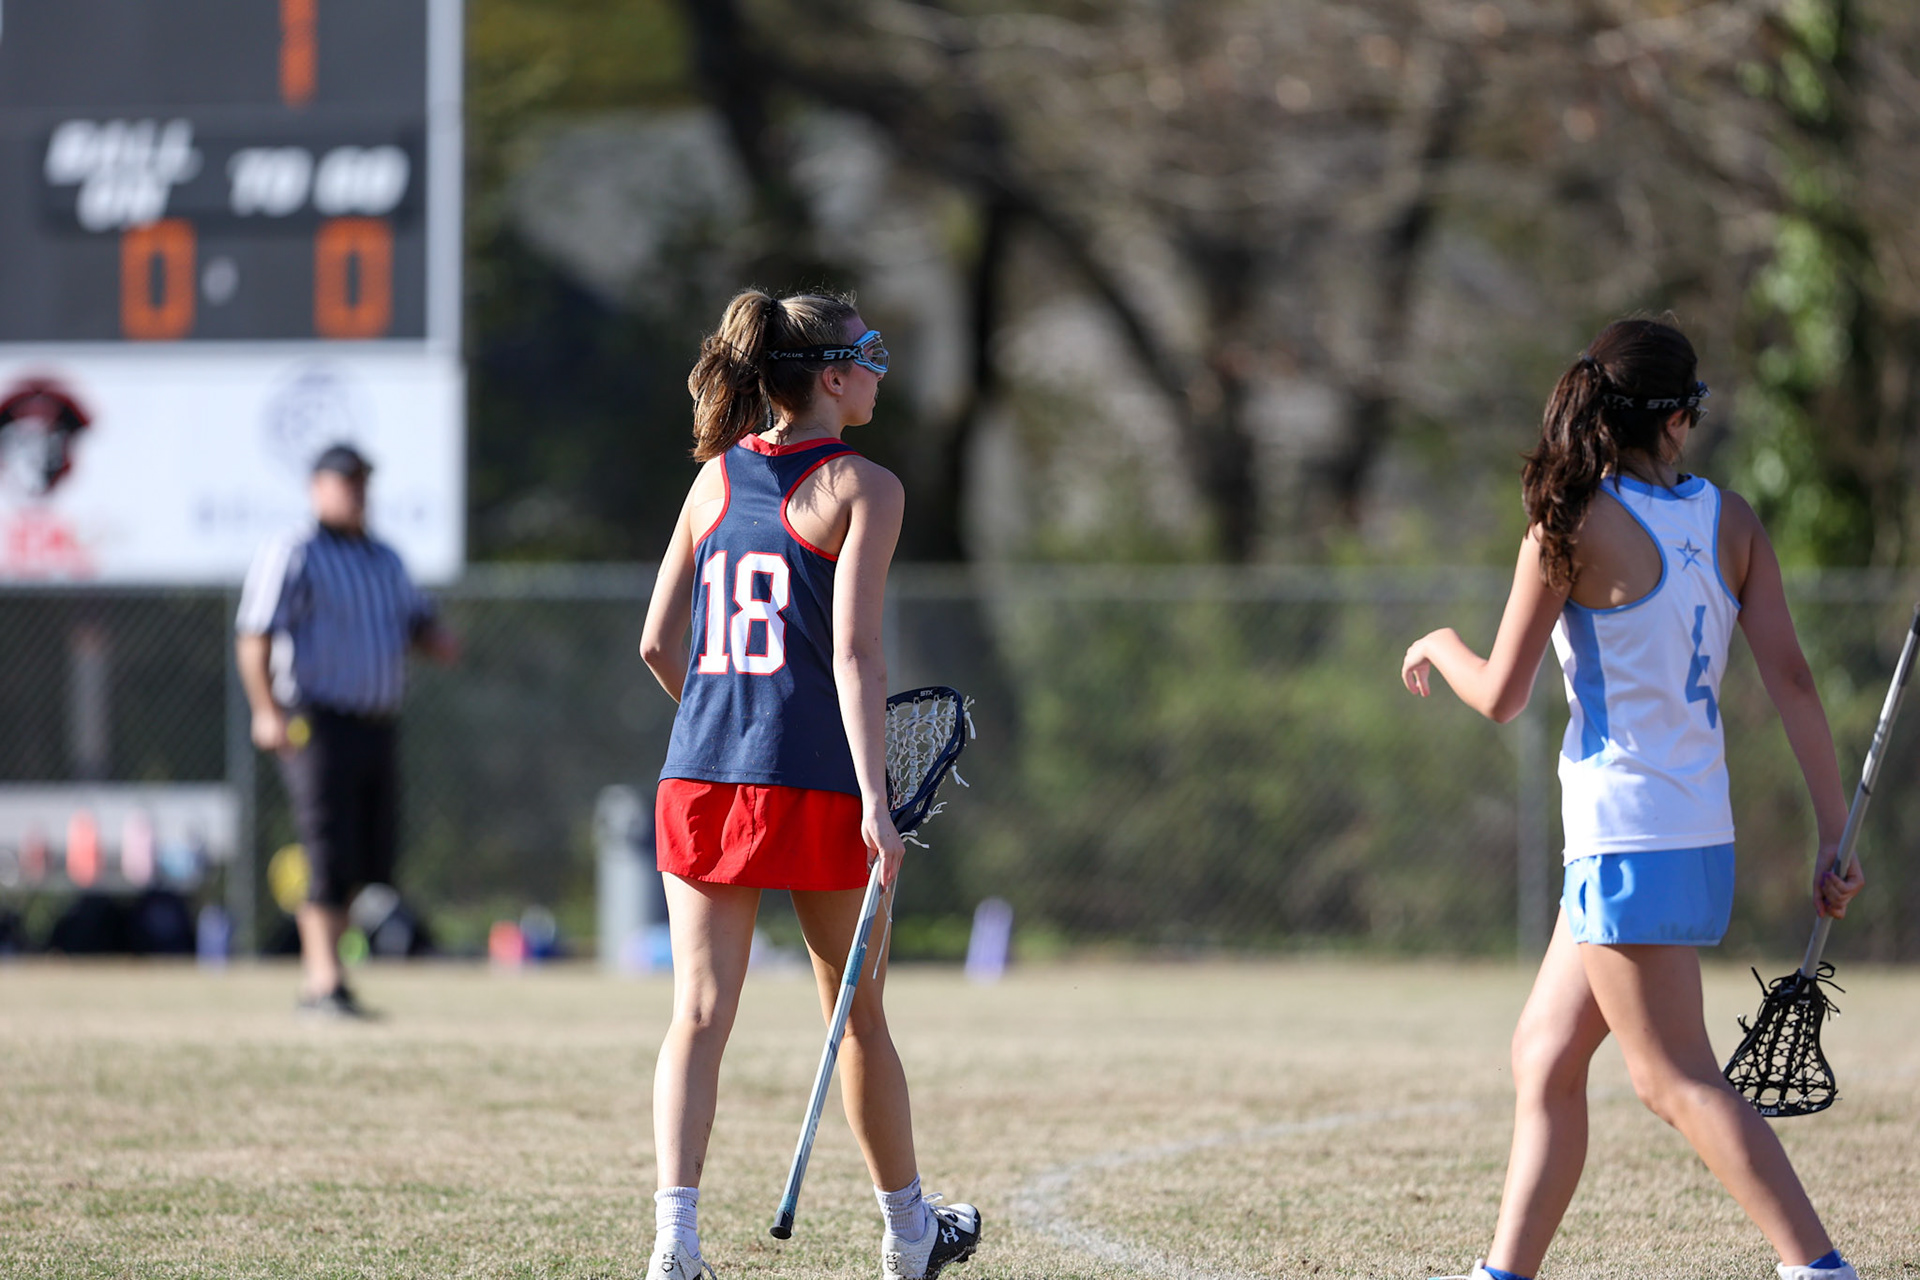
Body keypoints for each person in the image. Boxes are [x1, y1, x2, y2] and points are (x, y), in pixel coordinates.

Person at [1399, 318, 1867, 1280]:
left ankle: (1818, 1268)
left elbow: (1500, 696)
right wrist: (1835, 832)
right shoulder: (1730, 520)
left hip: (1624, 840)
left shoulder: (1568, 522)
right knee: (1545, 1057)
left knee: (1672, 1078)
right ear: (1680, 417)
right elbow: (1794, 682)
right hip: (1694, 838)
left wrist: (1439, 642)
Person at [638, 289, 981, 1280]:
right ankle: (909, 1232)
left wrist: (723, 724)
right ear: (831, 375)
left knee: (697, 1011)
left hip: (701, 775)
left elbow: (661, 642)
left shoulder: (712, 479)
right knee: (859, 1010)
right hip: (819, 782)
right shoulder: (865, 486)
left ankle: (675, 1242)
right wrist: (876, 798)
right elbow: (856, 654)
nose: (882, 369)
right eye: (870, 352)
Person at [236, 443, 458, 1017]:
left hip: (376, 723)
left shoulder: (384, 558)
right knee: (327, 847)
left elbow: (416, 621)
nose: (355, 491)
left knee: (367, 857)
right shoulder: (294, 551)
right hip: (316, 721)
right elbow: (255, 633)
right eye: (344, 481)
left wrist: (436, 641)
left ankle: (328, 978)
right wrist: (265, 710)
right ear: (317, 487)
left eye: (361, 482)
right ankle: (323, 981)